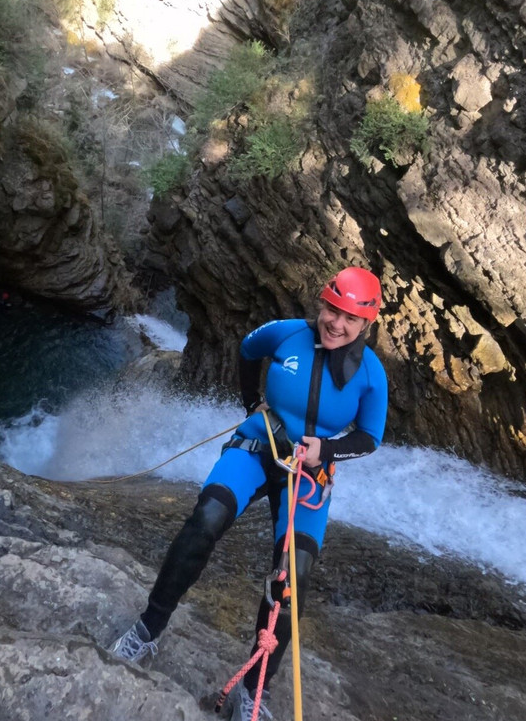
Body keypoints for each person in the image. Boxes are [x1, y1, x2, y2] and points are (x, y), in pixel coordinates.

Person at [111, 267, 389, 719]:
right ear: (322, 305)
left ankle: (255, 690)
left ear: (366, 324)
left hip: (307, 472)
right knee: (206, 519)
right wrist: (250, 404)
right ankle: (147, 630)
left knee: (293, 576)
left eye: (350, 319)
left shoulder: (372, 374)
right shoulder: (286, 334)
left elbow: (370, 438)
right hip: (260, 445)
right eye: (332, 311)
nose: (336, 324)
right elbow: (246, 350)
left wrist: (327, 451)